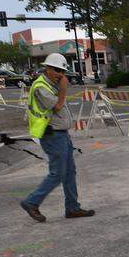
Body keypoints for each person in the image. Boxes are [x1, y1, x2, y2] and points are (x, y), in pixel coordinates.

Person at [20, 53, 94, 222]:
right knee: (58, 173)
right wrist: (63, 88)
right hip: (51, 134)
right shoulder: (41, 87)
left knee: (69, 172)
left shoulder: (51, 84)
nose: (60, 74)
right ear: (47, 68)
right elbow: (57, 106)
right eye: (56, 70)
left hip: (61, 134)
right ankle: (32, 202)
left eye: (62, 71)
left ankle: (73, 208)